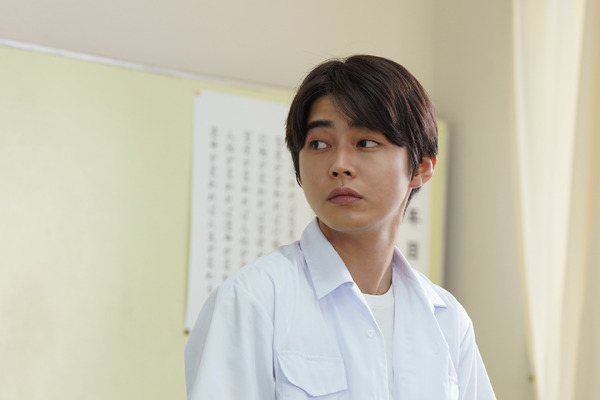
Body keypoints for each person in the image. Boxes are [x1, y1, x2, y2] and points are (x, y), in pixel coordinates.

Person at [184, 55, 496, 400]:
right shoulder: (252, 301)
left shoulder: (448, 321)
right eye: (319, 144)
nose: (339, 165)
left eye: (366, 143)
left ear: (421, 167)